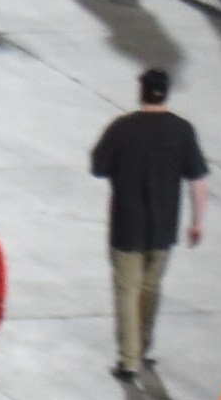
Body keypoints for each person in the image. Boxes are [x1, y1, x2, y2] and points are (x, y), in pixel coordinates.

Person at [84, 68, 206, 378]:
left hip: (127, 226)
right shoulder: (182, 130)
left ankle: (129, 360)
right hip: (163, 228)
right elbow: (197, 180)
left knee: (127, 291)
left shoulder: (122, 128)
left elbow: (98, 167)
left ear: (141, 92)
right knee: (150, 289)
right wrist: (197, 222)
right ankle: (142, 347)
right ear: (166, 93)